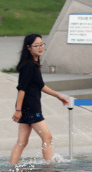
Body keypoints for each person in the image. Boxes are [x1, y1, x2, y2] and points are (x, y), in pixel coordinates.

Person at [10, 34, 69, 164]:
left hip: (27, 108)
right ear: (29, 47)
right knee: (47, 137)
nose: (40, 48)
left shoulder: (33, 64)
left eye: (42, 44)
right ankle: (49, 168)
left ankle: (12, 169)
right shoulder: (29, 65)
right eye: (36, 46)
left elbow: (40, 85)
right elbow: (22, 88)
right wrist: (18, 110)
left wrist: (58, 95)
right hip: (30, 108)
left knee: (22, 142)